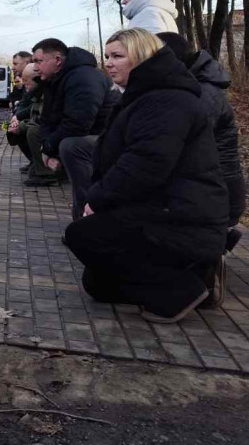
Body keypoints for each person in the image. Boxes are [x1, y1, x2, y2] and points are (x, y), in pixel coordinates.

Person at [64, 28, 228, 323]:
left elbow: (146, 164)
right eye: (107, 56)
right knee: (97, 284)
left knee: (81, 236)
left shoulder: (165, 100)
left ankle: (184, 289)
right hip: (162, 207)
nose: (108, 63)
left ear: (141, 57)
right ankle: (192, 273)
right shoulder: (142, 96)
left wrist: (97, 200)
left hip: (181, 217)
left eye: (118, 56)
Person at [159, 32, 245, 306]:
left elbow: (175, 146)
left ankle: (207, 261)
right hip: (208, 189)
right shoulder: (192, 87)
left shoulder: (202, 94)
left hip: (215, 195)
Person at [26, 38, 112, 188]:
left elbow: (77, 124)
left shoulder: (83, 78)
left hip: (103, 137)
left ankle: (89, 200)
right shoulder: (53, 79)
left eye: (39, 61)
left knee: (70, 144)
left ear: (57, 60)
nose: (35, 67)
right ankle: (45, 170)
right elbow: (46, 119)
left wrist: (49, 149)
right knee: (30, 131)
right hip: (80, 136)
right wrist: (47, 149)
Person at [6, 63, 40, 171]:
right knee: (8, 127)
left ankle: (38, 165)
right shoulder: (29, 87)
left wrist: (18, 118)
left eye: (16, 63)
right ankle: (33, 161)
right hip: (26, 117)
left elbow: (34, 108)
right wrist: (16, 115)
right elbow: (24, 103)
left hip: (36, 121)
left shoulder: (40, 88)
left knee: (25, 130)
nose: (13, 66)